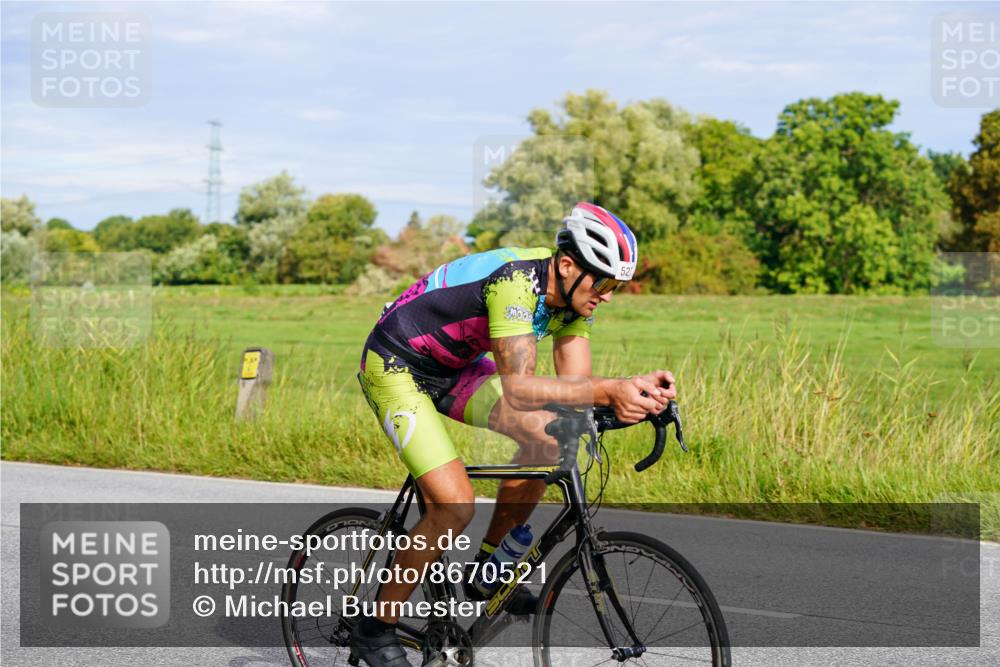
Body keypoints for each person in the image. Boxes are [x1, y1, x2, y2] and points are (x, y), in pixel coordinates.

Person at [351, 202, 675, 666]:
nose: (607, 295)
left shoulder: (574, 301)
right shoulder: (515, 283)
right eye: (603, 281)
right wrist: (609, 392)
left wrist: (634, 400)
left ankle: (489, 570)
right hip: (396, 365)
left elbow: (573, 390)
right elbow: (521, 389)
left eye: (615, 286)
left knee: (548, 438)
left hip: (453, 367)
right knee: (454, 505)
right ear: (567, 265)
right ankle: (374, 629)